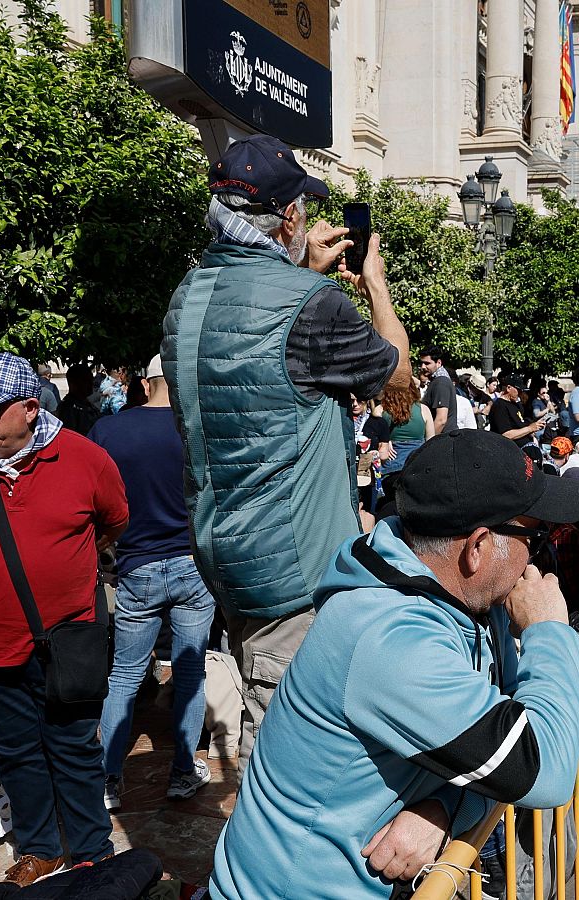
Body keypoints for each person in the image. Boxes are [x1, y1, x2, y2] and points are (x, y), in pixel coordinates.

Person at [209, 430, 579, 900]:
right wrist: (549, 631)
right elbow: (547, 766)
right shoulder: (391, 639)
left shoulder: (452, 591)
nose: (537, 559)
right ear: (477, 547)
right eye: (535, 537)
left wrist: (447, 808)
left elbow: (510, 720)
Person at [163, 135, 414, 763]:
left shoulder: (185, 298)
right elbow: (399, 383)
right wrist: (375, 288)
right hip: (292, 569)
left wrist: (298, 274)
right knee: (284, 752)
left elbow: (260, 367)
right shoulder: (315, 305)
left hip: (224, 554)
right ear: (291, 218)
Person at [0, 352, 129, 885]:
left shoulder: (85, 458)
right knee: (16, 752)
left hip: (69, 639)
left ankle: (91, 849)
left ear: (30, 408)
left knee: (76, 749)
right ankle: (40, 847)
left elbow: (112, 523)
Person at [87, 356, 215, 810]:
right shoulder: (198, 429)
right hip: (191, 564)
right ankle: (182, 772)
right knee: (189, 672)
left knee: (123, 675)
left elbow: (92, 497)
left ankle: (107, 780)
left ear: (145, 383)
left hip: (136, 564)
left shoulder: (108, 430)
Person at [488, 379, 545, 448]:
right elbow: (506, 435)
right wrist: (530, 428)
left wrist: (534, 427)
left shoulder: (516, 404)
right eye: (519, 390)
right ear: (509, 388)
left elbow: (520, 424)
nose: (521, 393)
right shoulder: (500, 406)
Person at [418, 348, 458, 436]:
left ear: (438, 363)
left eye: (427, 363)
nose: (423, 367)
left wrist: (428, 443)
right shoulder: (438, 380)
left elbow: (441, 420)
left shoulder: (441, 382)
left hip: (442, 440)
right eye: (421, 363)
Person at [56, 363, 102, 435]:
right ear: (73, 383)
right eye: (86, 381)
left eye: (91, 379)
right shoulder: (68, 409)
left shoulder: (86, 403)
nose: (91, 384)